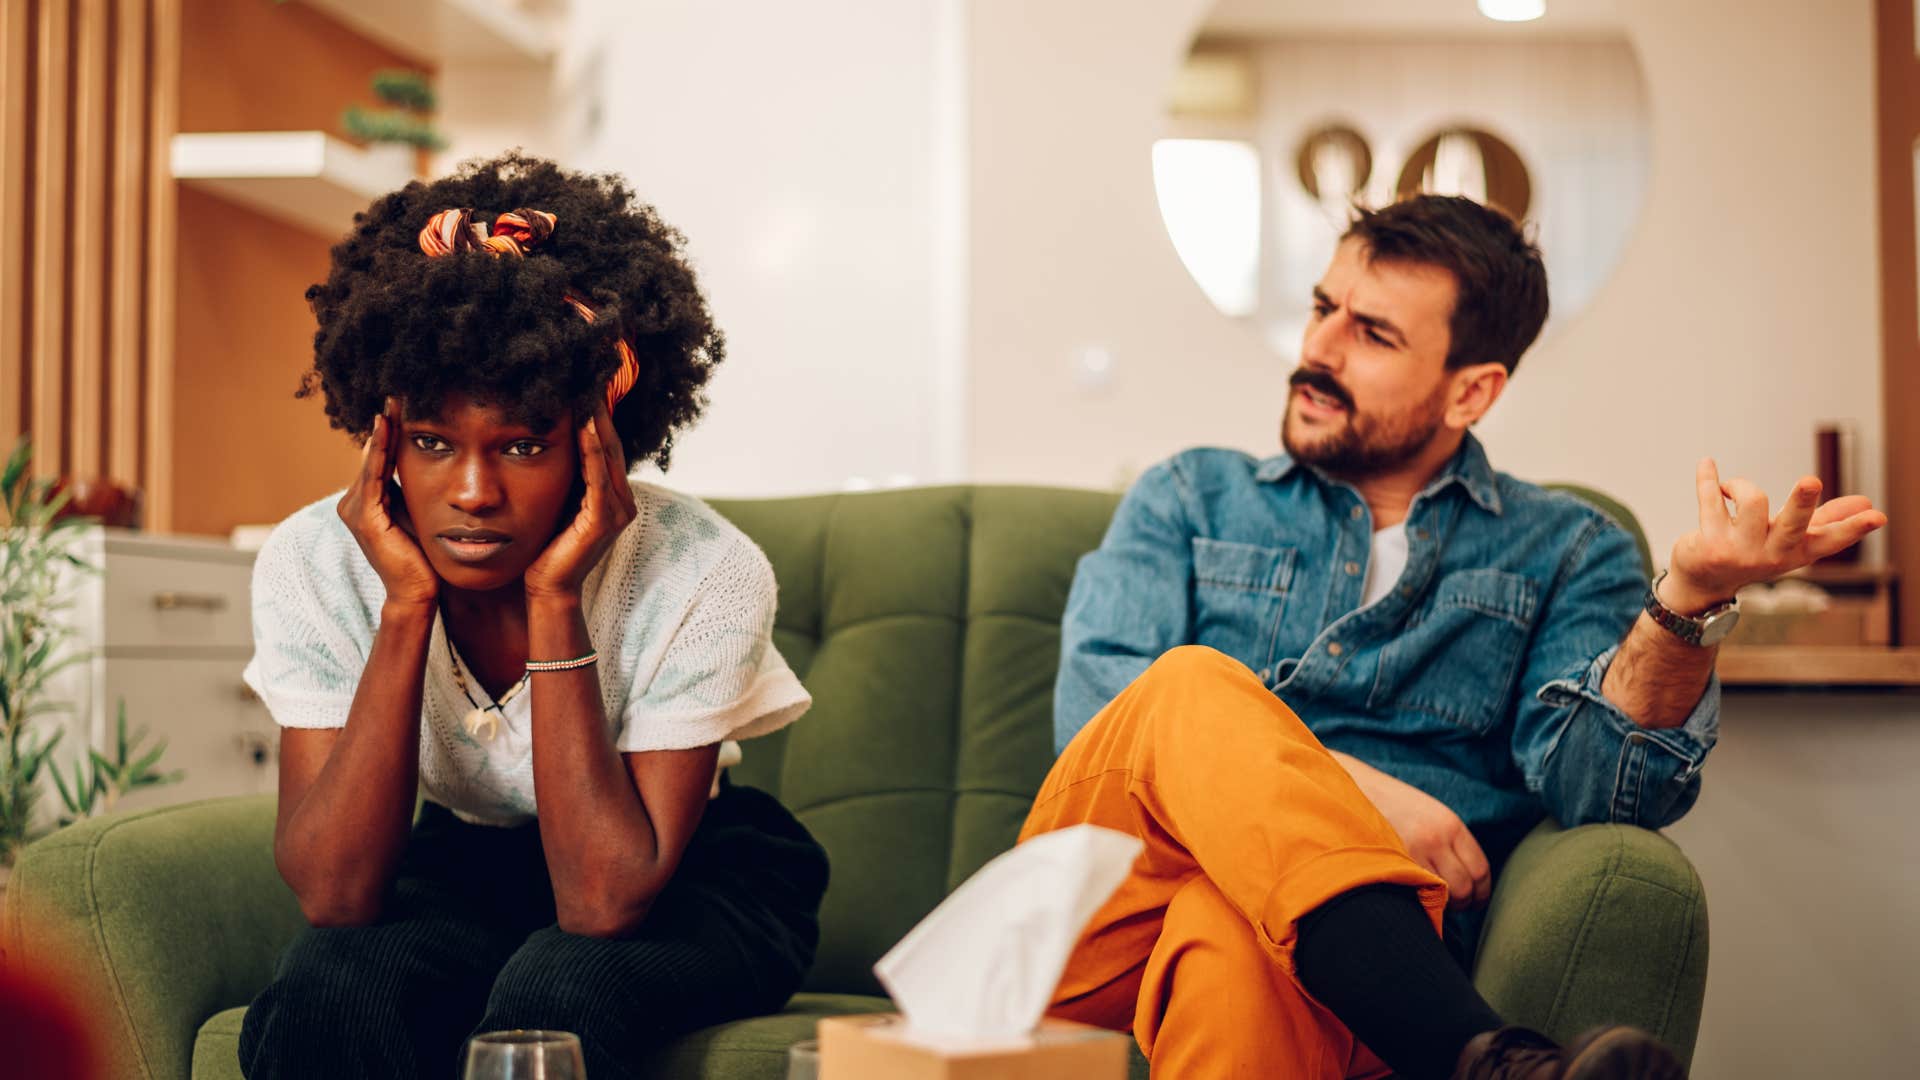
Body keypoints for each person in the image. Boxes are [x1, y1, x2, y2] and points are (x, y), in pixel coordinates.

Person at [1025, 194, 1885, 1079]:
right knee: (1185, 685)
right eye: (1323, 309)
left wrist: (1688, 604)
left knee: (1232, 934)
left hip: (1359, 967)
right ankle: (1480, 1057)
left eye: (1372, 334)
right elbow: (1100, 719)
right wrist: (1359, 794)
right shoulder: (1189, 497)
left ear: (1471, 391)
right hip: (1112, 922)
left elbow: (1603, 789)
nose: (1318, 350)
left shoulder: (1565, 547)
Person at [236, 153, 828, 1079]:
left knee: (560, 997)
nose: (474, 491)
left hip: (689, 875)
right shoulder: (315, 561)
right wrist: (406, 607)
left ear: (597, 442)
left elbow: (601, 902)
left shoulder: (704, 571)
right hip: (469, 861)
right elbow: (336, 898)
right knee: (331, 995)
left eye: (522, 445)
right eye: (432, 442)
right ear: (383, 439)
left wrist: (556, 599)